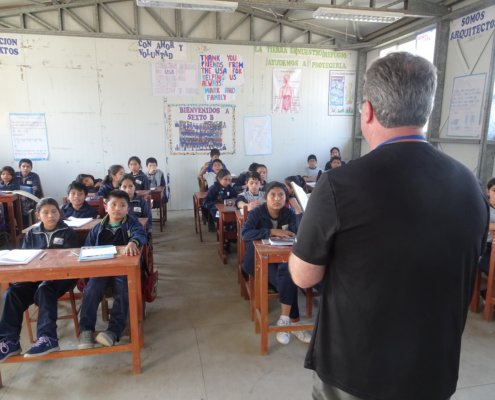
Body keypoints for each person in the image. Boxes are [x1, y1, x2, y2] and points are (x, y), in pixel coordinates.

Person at [289, 52, 488, 400]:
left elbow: (304, 277)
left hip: (357, 373)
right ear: (426, 110)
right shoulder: (470, 186)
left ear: (367, 111)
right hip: (433, 370)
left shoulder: (338, 186)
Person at [0, 198, 77, 361]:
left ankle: (48, 338)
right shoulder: (31, 234)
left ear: (60, 213)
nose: (51, 216)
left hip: (61, 278)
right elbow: (25, 258)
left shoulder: (67, 231)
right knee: (12, 293)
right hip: (35, 277)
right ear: (38, 215)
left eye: (54, 212)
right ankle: (9, 341)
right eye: (46, 212)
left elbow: (70, 258)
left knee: (45, 288)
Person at [241, 181, 310, 345]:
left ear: (286, 198)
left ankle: (285, 320)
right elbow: (245, 233)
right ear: (266, 197)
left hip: (282, 259)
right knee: (289, 279)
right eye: (273, 195)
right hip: (258, 261)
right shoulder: (257, 212)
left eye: (281, 195)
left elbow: (297, 233)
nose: (277, 198)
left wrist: (299, 212)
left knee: (288, 272)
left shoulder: (289, 213)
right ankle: (294, 323)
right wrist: (271, 231)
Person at [78, 190, 147, 349]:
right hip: (101, 270)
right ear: (105, 206)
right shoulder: (97, 228)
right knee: (91, 289)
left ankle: (114, 331)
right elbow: (88, 249)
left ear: (128, 208)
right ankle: (86, 330)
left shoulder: (131, 223)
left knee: (123, 289)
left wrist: (133, 242)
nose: (118, 208)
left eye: (122, 205)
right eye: (113, 204)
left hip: (124, 271)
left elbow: (140, 234)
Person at [478, 177, 495, 276]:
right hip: (485, 248)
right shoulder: (483, 206)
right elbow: (482, 224)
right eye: (494, 190)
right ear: (487, 191)